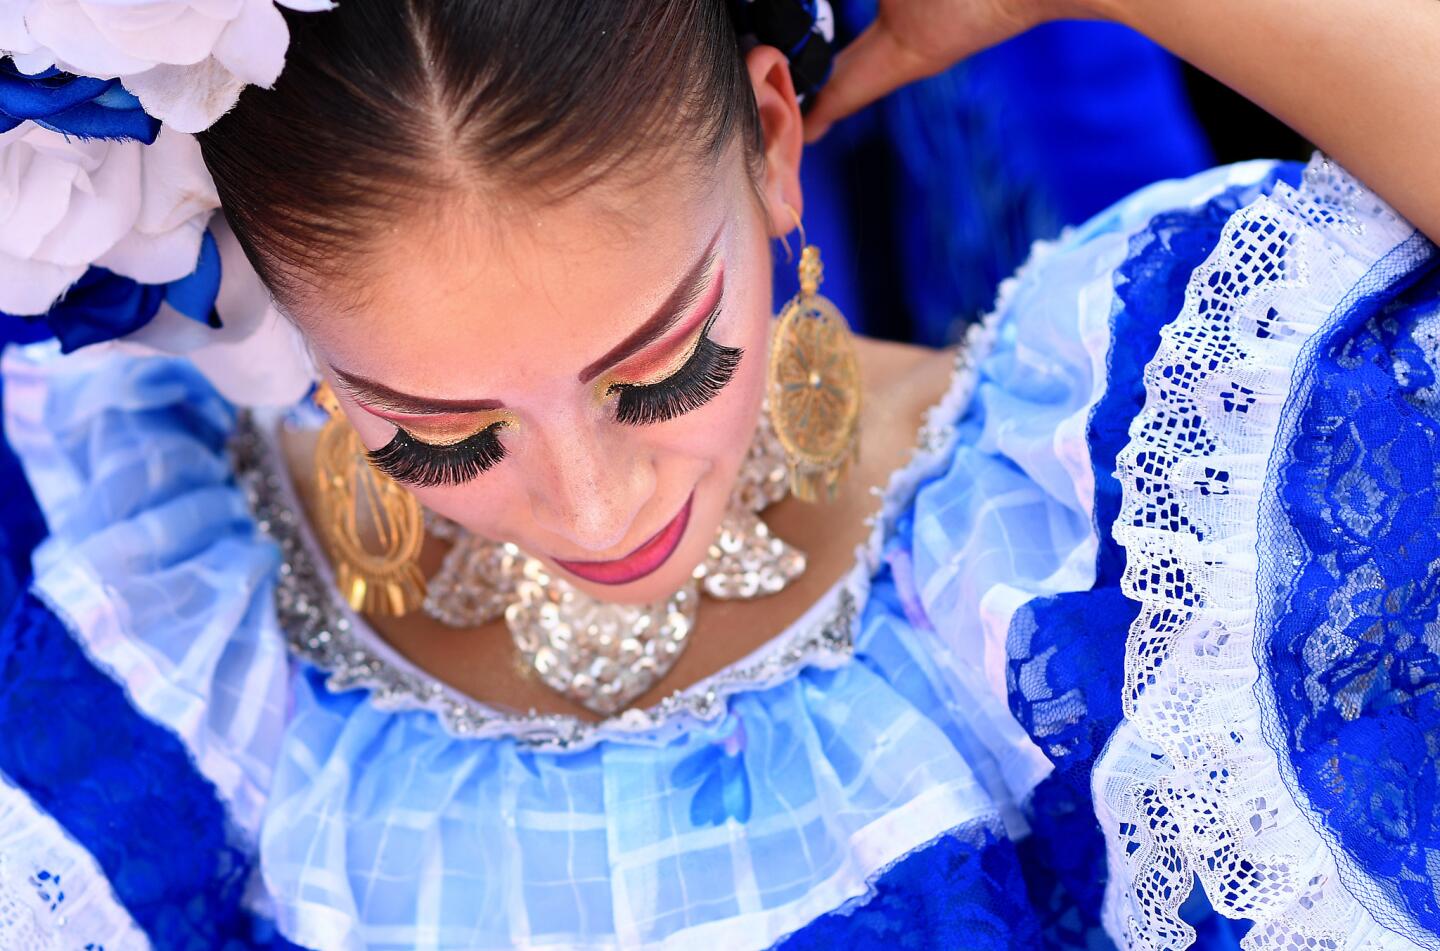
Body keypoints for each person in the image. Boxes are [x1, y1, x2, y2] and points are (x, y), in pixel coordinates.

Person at [0, 2, 1436, 950]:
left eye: (661, 370)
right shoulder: (117, 606)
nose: (596, 507)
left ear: (769, 139)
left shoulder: (1154, 491)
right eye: (439, 434)